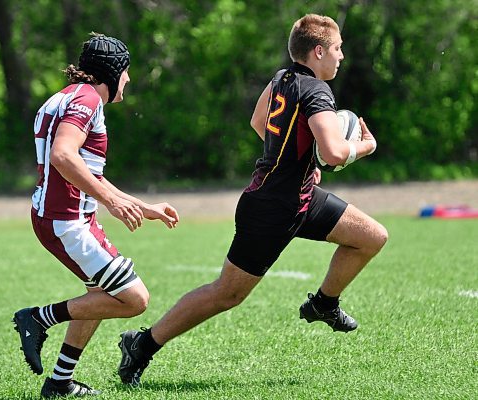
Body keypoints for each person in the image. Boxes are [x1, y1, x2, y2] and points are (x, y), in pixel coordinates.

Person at [117, 13, 388, 386]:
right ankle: (141, 345)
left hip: (300, 197)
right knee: (226, 294)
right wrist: (364, 146)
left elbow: (259, 121)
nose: (342, 57)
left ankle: (324, 302)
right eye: (338, 49)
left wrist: (300, 161)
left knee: (372, 236)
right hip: (271, 208)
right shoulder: (316, 91)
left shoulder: (282, 79)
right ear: (319, 50)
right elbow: (337, 153)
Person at [12, 33, 179, 398]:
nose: (129, 80)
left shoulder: (65, 96)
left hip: (65, 217)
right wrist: (113, 202)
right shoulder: (88, 99)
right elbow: (63, 156)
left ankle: (59, 382)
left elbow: (87, 172)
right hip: (66, 222)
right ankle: (38, 318)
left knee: (101, 294)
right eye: (127, 71)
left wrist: (138, 205)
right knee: (135, 299)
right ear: (113, 71)